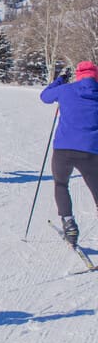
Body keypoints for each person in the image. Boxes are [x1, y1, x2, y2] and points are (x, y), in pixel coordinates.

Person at [39, 61, 98, 246]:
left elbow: (45, 96)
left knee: (61, 184)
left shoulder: (66, 90)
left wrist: (60, 80)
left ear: (78, 75)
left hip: (63, 149)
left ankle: (68, 222)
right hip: (91, 150)